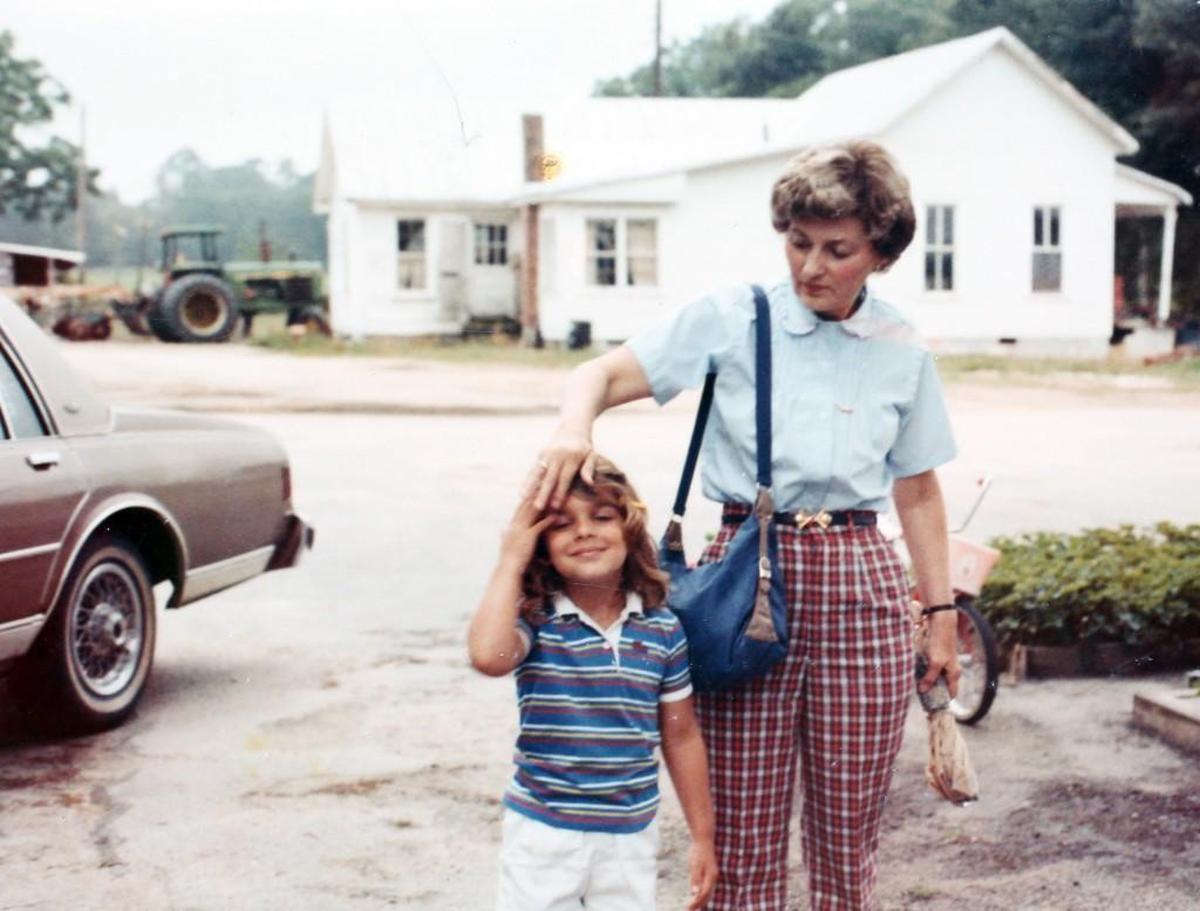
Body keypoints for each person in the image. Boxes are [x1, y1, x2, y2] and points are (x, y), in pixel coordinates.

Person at [530, 140, 960, 910]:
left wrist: (938, 613)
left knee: (848, 827)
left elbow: (919, 489)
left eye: (839, 249)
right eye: (798, 242)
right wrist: (573, 429)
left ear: (882, 254)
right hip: (744, 581)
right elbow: (595, 374)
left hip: (863, 582)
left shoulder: (902, 346)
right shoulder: (734, 317)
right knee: (741, 829)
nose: (811, 266)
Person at [468, 456, 718, 911]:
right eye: (562, 525)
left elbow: (681, 735)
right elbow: (488, 657)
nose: (584, 531)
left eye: (601, 517)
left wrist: (702, 837)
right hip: (544, 833)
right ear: (542, 546)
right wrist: (510, 560)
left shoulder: (662, 628)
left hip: (629, 835)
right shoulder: (536, 619)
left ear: (629, 528)